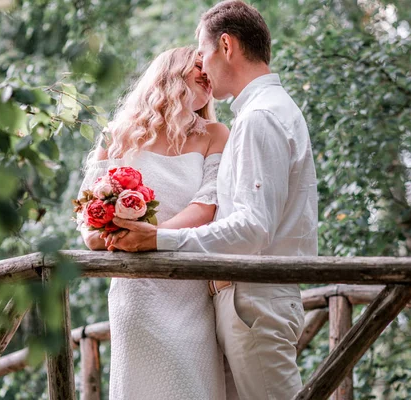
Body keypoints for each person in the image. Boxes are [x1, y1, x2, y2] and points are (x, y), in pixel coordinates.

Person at [108, 1, 319, 399]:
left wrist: (157, 239)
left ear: (226, 46)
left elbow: (253, 228)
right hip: (248, 300)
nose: (202, 65)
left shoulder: (260, 118)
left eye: (202, 52)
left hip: (255, 301)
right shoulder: (261, 113)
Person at [76, 47, 229, 399]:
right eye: (198, 68)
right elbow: (87, 215)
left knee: (190, 384)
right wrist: (103, 235)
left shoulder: (216, 135)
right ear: (171, 72)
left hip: (188, 287)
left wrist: (154, 235)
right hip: (136, 290)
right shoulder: (116, 135)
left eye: (210, 72)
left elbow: (206, 205)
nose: (207, 75)